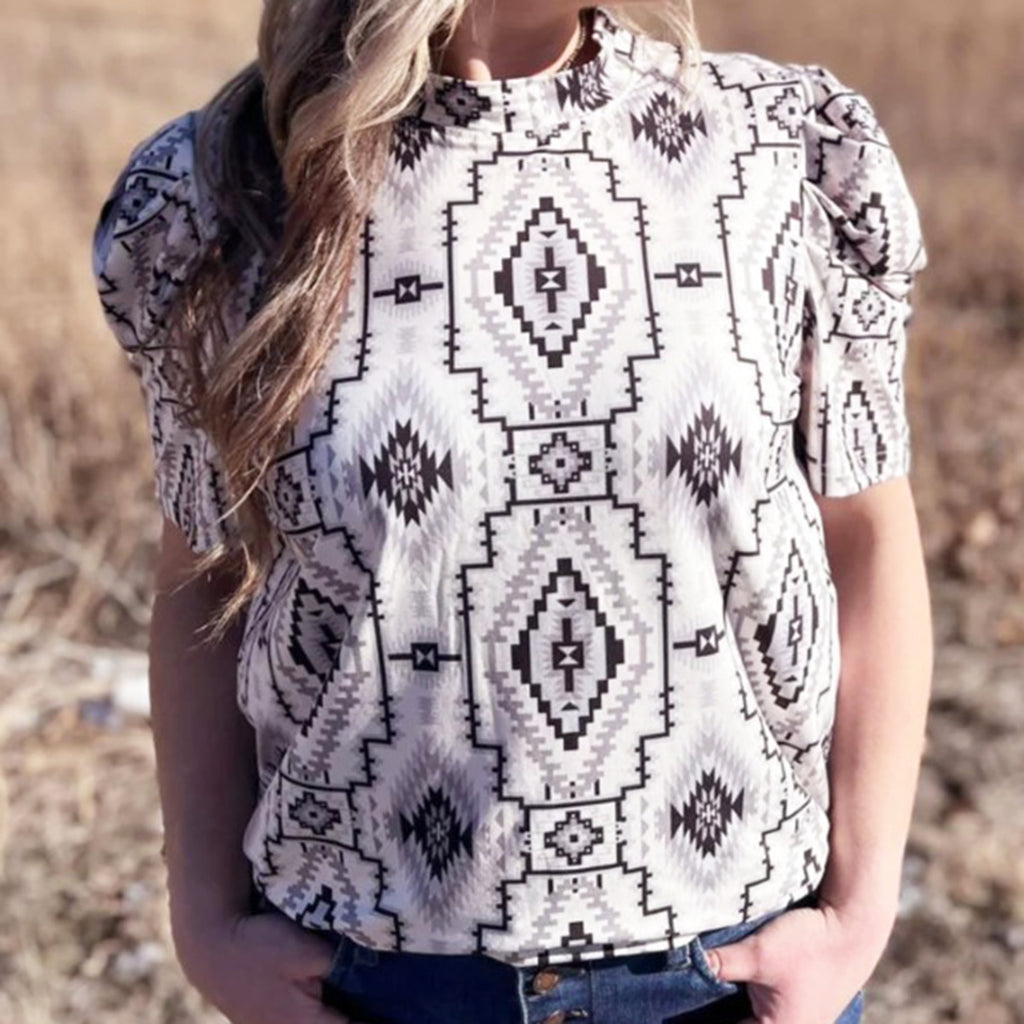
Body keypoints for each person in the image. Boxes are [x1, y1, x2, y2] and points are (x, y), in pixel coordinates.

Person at [90, 3, 934, 1023]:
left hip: (727, 977)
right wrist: (206, 922)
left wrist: (858, 911)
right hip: (373, 978)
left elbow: (867, 538)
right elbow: (203, 576)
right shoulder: (225, 190)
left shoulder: (777, 149)